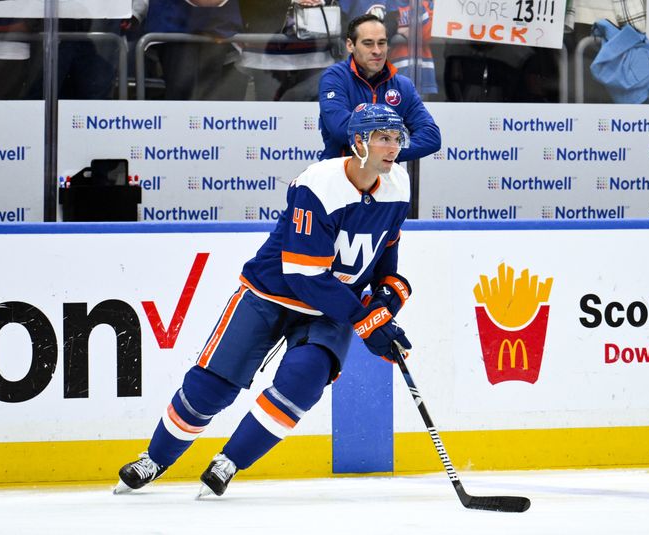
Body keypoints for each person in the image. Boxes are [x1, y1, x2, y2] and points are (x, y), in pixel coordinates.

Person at [114, 103, 414, 498]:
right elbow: (304, 276)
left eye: (396, 139)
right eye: (381, 139)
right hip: (270, 293)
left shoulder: (399, 184)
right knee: (212, 386)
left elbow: (384, 258)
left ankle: (229, 462)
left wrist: (386, 302)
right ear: (358, 141)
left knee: (304, 379)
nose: (392, 148)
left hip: (331, 308)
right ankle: (156, 458)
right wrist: (364, 319)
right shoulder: (319, 185)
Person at [318, 14, 440, 161]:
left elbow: (431, 136)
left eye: (381, 43)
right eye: (368, 43)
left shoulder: (402, 85)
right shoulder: (335, 77)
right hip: (339, 172)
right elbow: (340, 128)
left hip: (386, 175)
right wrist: (385, 148)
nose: (377, 51)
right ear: (350, 45)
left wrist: (390, 152)